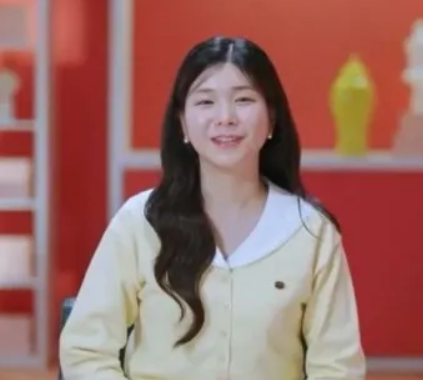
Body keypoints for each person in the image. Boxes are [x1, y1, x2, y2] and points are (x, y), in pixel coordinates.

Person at [59, 36, 366, 380]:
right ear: (182, 122)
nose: (225, 117)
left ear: (271, 119)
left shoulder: (310, 232)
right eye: (206, 101)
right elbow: (86, 350)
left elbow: (337, 367)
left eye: (244, 100)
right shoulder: (140, 222)